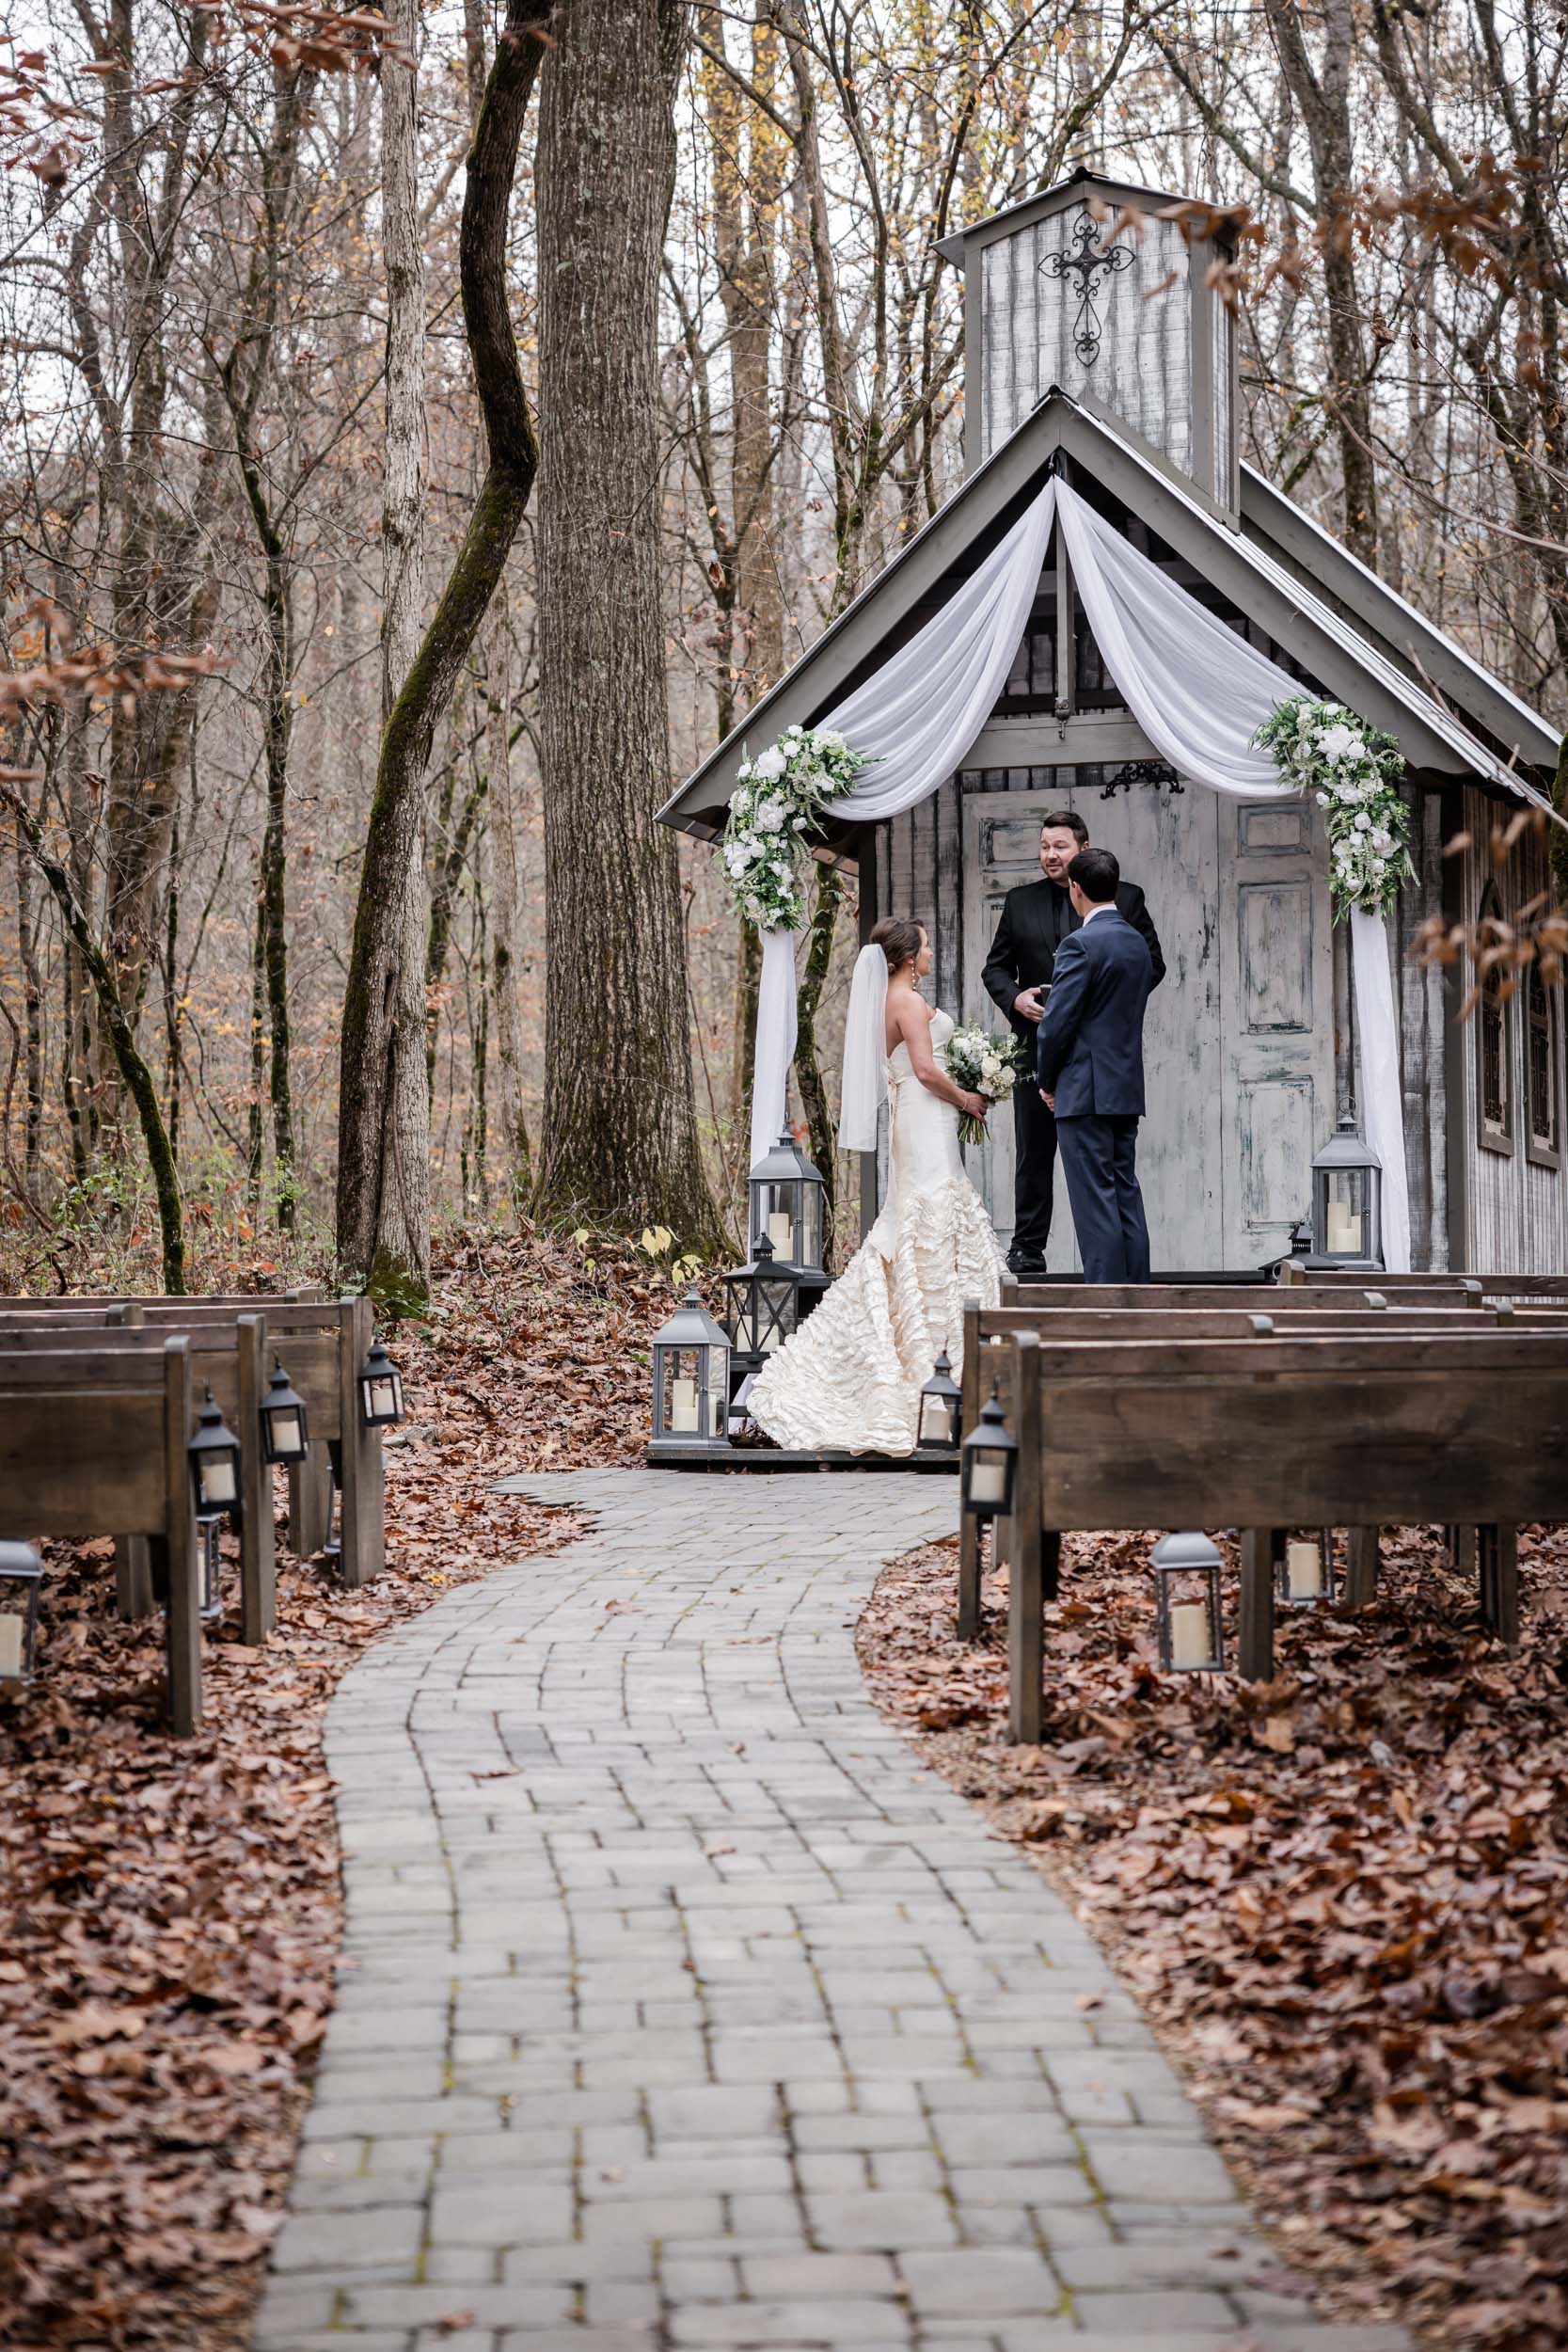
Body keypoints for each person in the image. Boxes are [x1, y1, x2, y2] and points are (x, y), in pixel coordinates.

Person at [747, 915, 1003, 1454]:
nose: (932, 954)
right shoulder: (907, 1002)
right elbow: (928, 1071)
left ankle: (935, 1339)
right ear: (909, 958)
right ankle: (934, 1349)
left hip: (919, 1121)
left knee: (923, 1214)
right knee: (930, 1215)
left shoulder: (888, 1001)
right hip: (927, 1118)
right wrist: (969, 1098)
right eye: (927, 948)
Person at [981, 808, 1164, 1274]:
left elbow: (1150, 965)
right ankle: (1028, 1248)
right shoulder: (1020, 902)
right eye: (1043, 847)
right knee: (1035, 1153)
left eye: (1059, 846)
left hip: (1087, 1058)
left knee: (1101, 1188)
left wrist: (1094, 1013)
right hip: (1037, 1043)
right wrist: (1016, 999)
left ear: (1083, 850)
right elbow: (995, 968)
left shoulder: (1126, 899)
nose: (1049, 855)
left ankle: (1109, 1291)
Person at [1035, 847, 1153, 1284]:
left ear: (1075, 889)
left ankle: (1104, 1304)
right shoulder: (1136, 943)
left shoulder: (1079, 945)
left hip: (1084, 1092)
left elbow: (1055, 1025)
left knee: (1095, 1203)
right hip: (1124, 1090)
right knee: (1125, 1196)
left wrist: (1048, 1081)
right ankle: (1137, 1299)